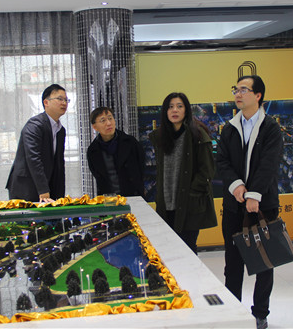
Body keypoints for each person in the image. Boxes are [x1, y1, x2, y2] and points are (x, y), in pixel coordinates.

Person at [217, 75, 283, 329]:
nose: (238, 93)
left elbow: (269, 164)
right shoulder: (229, 128)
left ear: (258, 96)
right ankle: (233, 310)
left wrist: (254, 194)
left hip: (263, 205)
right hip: (234, 205)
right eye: (236, 89)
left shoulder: (271, 127)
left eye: (244, 89)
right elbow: (222, 161)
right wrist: (236, 186)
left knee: (265, 262)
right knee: (232, 263)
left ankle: (260, 313)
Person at [149, 92, 217, 253]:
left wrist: (192, 193)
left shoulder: (198, 135)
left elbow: (207, 171)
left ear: (186, 110)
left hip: (189, 204)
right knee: (168, 250)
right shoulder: (160, 137)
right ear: (165, 112)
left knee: (188, 248)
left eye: (179, 106)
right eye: (170, 107)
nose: (175, 110)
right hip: (166, 203)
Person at [6, 84, 68, 203]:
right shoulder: (34, 125)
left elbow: (59, 164)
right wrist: (43, 190)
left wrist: (60, 197)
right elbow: (33, 158)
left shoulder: (61, 130)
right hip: (26, 187)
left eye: (66, 100)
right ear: (46, 102)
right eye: (60, 99)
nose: (64, 103)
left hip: (46, 187)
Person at [87, 107, 145, 197]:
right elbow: (97, 175)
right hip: (109, 198)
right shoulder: (93, 150)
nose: (108, 123)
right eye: (103, 120)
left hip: (133, 195)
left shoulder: (130, 142)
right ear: (95, 127)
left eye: (110, 118)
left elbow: (141, 164)